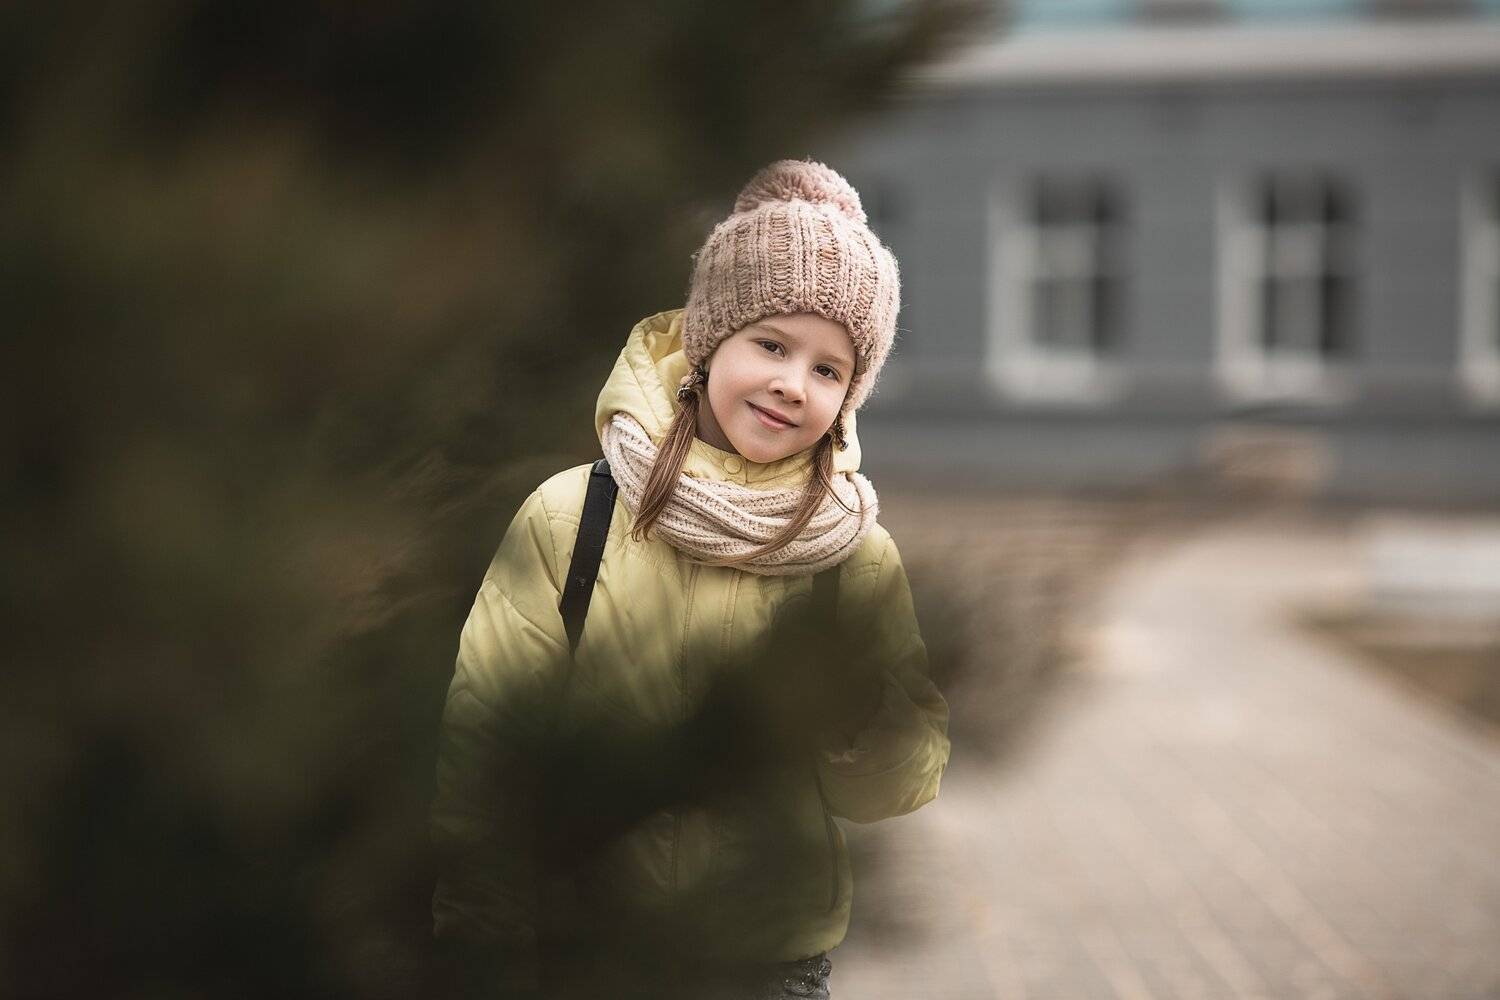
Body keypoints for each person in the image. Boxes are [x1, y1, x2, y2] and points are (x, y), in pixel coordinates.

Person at [430, 159, 950, 1000]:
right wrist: (478, 921)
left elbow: (902, 780)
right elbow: (486, 726)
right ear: (710, 344)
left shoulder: (852, 554)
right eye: (772, 344)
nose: (792, 383)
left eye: (829, 369)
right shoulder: (576, 516)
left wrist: (859, 722)